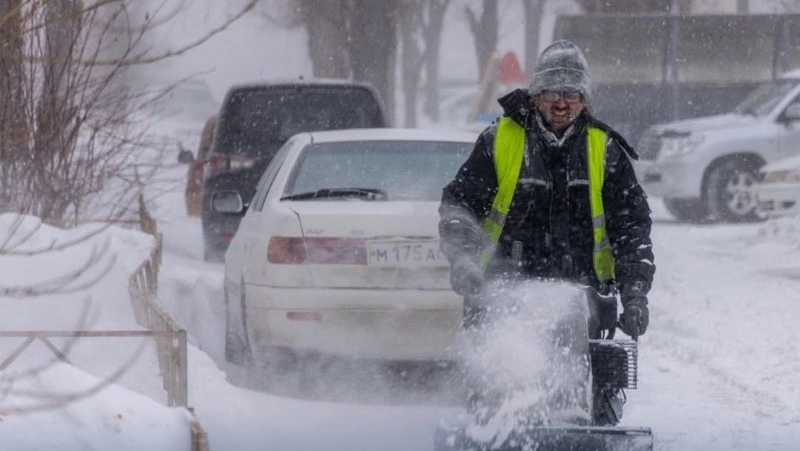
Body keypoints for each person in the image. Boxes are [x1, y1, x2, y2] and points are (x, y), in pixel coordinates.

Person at [438, 40, 655, 426]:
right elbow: (459, 208)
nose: (562, 102)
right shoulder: (498, 141)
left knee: (587, 400)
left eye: (572, 93)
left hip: (585, 296)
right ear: (536, 94)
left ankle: (577, 424)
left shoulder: (605, 150)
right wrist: (466, 261)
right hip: (501, 292)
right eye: (553, 91)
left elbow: (632, 228)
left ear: (584, 100)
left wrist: (635, 292)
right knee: (495, 399)